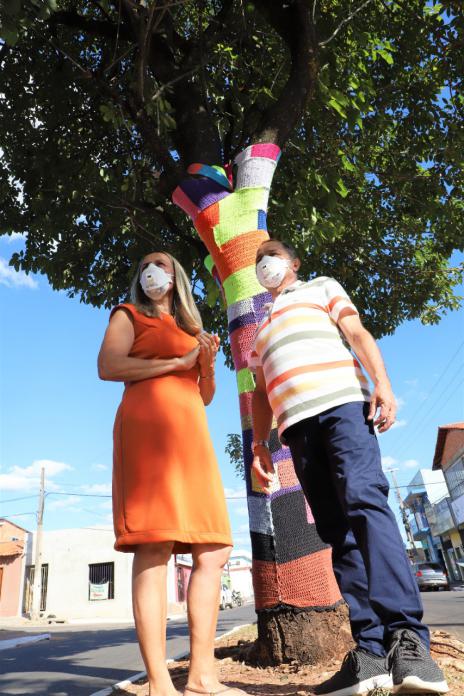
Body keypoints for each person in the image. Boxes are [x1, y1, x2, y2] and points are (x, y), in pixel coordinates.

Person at [249, 238, 448, 696]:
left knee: (364, 504)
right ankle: (371, 652)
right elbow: (260, 392)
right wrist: (261, 445)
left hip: (343, 407)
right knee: (335, 531)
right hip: (296, 429)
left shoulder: (321, 287)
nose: (265, 263)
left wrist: (383, 384)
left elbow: (356, 332)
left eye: (272, 255)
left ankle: (408, 641)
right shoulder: (260, 330)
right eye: (259, 260)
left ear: (294, 263)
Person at [98, 251, 242, 696]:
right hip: (147, 432)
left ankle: (202, 676)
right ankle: (159, 683)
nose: (152, 270)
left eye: (160, 263)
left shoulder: (192, 329)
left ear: (176, 275)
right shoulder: (128, 314)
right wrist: (174, 365)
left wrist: (206, 365)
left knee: (214, 548)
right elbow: (108, 366)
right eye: (145, 265)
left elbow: (205, 395)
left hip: (192, 438)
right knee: (154, 544)